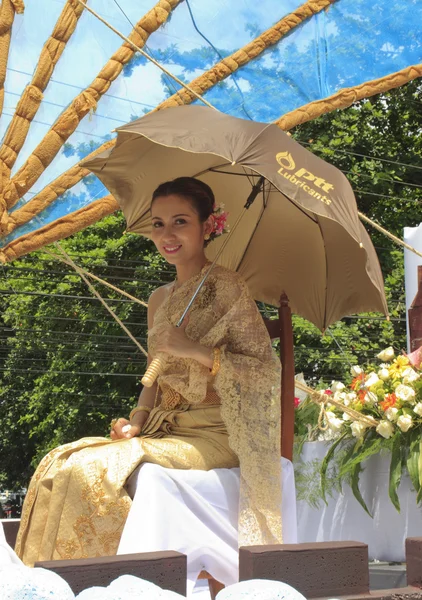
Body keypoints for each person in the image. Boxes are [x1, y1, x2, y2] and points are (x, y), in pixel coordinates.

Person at [16, 177, 282, 567]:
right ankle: (51, 583)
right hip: (163, 429)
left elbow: (264, 372)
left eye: (180, 221)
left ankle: (112, 580)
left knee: (93, 468)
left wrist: (193, 349)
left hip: (215, 434)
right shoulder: (159, 299)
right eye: (158, 224)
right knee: (61, 461)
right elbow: (153, 379)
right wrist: (136, 423)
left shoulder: (229, 287)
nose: (166, 234)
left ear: (207, 227)